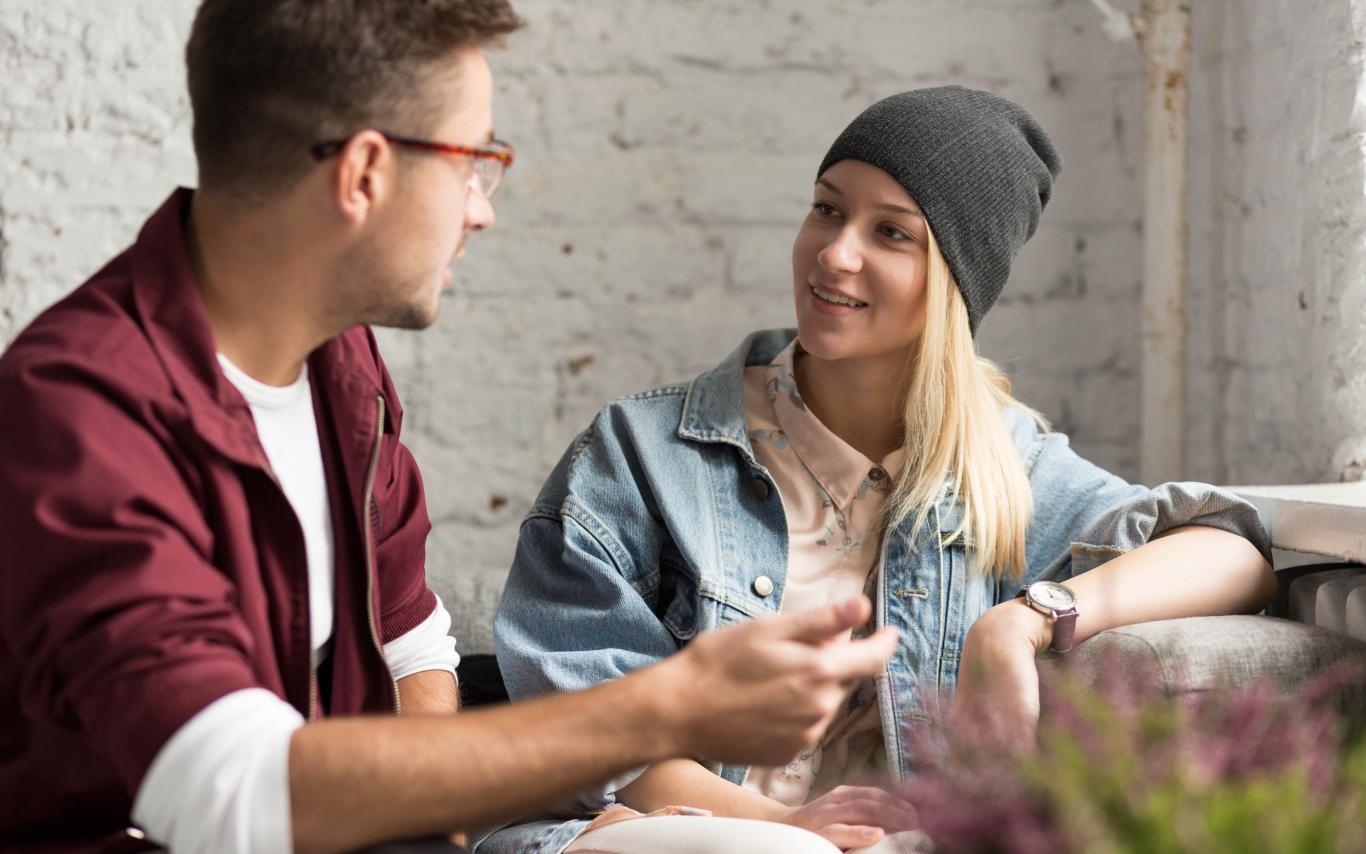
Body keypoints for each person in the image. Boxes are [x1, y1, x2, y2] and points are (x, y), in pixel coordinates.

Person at [0, 2, 904, 852]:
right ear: (362, 174)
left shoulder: (338, 363)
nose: (483, 206)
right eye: (473, 161)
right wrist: (667, 708)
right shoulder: (76, 418)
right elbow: (229, 789)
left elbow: (408, 637)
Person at [487, 86, 1280, 853]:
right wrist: (782, 830)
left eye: (891, 233)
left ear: (955, 280)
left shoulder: (1002, 470)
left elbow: (1233, 547)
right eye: (827, 208)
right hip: (666, 834)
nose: (835, 254)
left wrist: (1020, 624)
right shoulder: (646, 450)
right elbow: (583, 721)